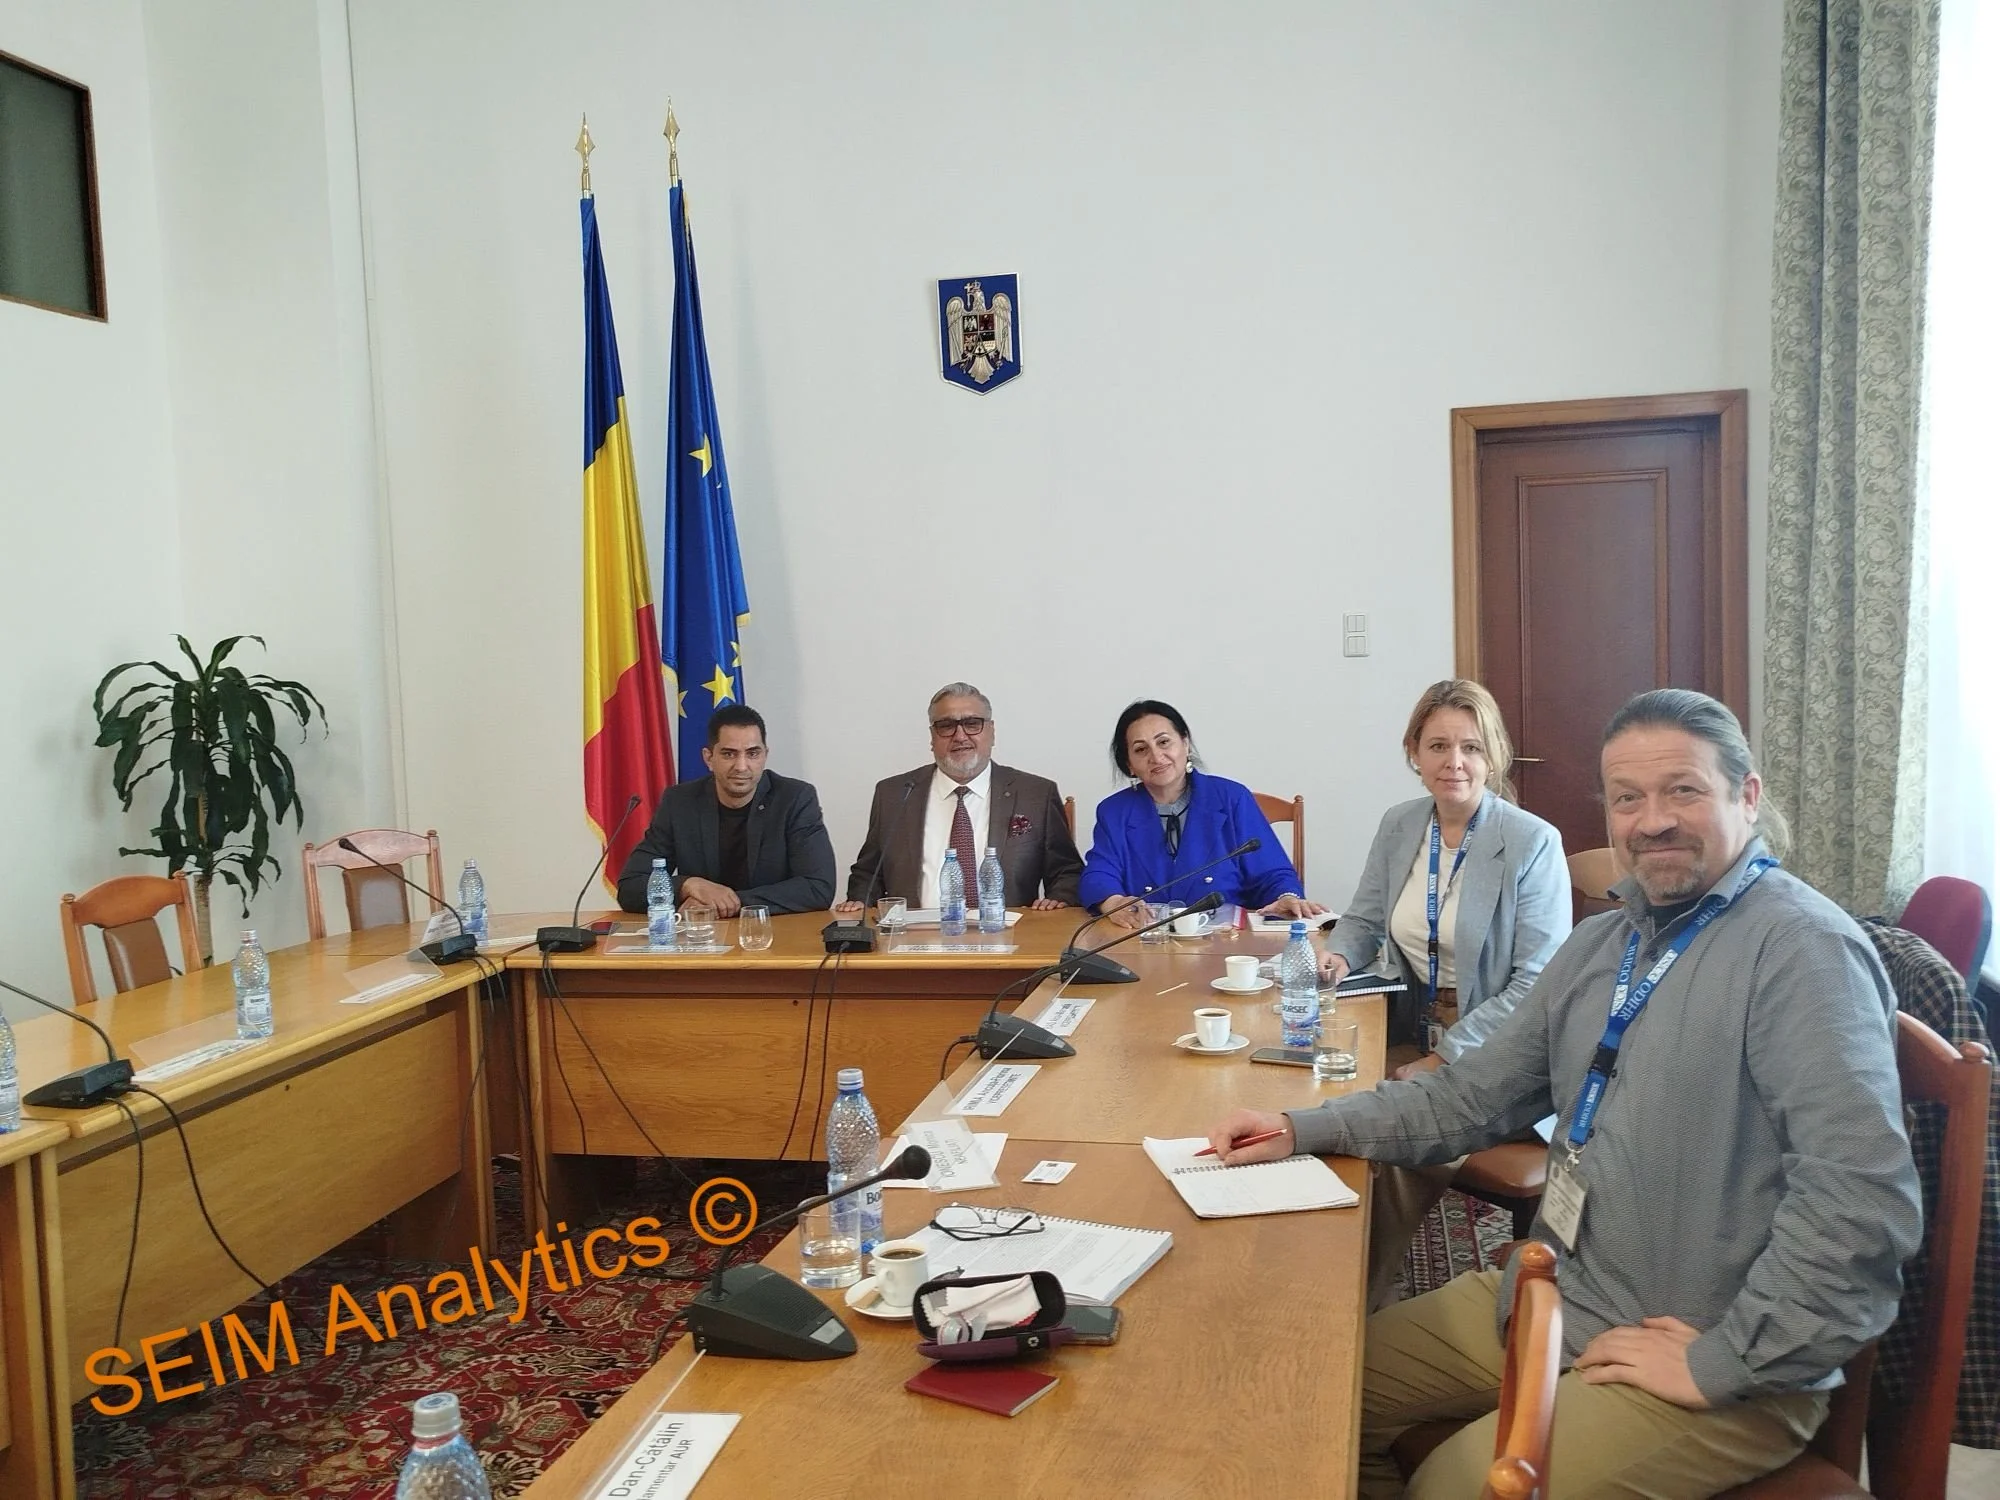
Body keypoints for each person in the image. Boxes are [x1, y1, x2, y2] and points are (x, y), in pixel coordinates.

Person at [1205, 689, 1919, 1498]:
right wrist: (1303, 1127)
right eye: (1627, 798)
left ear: (1747, 796)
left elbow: (1861, 1202)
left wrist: (1726, 1359)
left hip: (1704, 1346)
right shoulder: (1603, 944)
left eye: (1683, 789)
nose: (1652, 820)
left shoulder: (1803, 953)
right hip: (1562, 1289)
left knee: (1450, 1486)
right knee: (1310, 1387)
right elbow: (1465, 1100)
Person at [1319, 680, 1571, 1309]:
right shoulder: (1400, 823)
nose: (1453, 762)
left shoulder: (1531, 842)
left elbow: (1536, 984)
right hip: (1408, 1026)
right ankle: (1319, 1279)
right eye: (1437, 746)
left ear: (1493, 757)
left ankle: (1352, 1317)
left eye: (1470, 747)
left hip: (1502, 1050)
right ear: (1413, 751)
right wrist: (1336, 956)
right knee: (1313, 1093)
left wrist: (1446, 1058)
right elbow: (1363, 917)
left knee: (1388, 1142)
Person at [838, 682, 1082, 911]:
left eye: (972, 723)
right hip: (913, 941)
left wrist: (1056, 903)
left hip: (1009, 939)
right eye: (946, 726)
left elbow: (1066, 871)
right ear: (932, 736)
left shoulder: (1035, 794)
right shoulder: (893, 794)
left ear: (992, 732)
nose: (960, 736)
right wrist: (860, 904)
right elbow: (868, 873)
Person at [1079, 699, 1321, 925]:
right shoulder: (1114, 811)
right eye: (1141, 749)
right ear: (1129, 764)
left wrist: (1286, 896)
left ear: (1185, 743)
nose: (1156, 756)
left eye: (1164, 742)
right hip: (1145, 938)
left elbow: (1271, 872)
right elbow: (1099, 874)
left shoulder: (1231, 798)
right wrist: (1112, 902)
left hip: (1226, 943)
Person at [614, 705, 836, 917]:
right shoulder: (680, 802)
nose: (741, 766)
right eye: (729, 754)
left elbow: (818, 887)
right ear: (709, 758)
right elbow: (631, 886)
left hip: (772, 936)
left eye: (752, 754)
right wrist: (688, 885)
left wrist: (727, 903)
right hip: (703, 941)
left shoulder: (794, 798)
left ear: (765, 755)